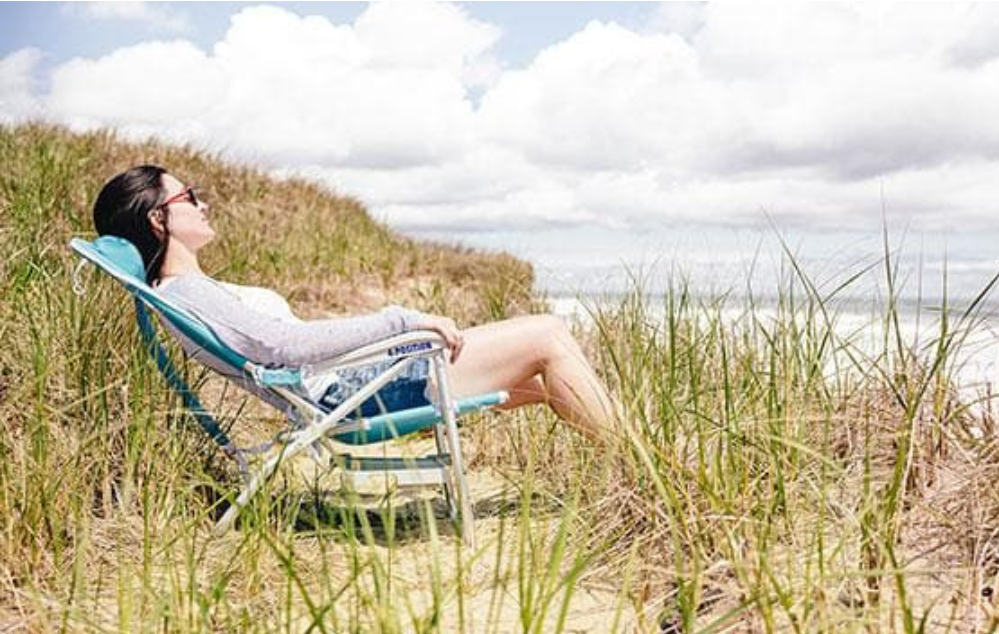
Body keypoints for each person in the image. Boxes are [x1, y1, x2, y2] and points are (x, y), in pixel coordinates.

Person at [92, 165, 618, 439]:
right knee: (548, 334)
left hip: (357, 383)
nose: (203, 203)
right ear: (158, 218)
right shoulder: (188, 292)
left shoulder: (188, 290)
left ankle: (631, 470)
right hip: (356, 394)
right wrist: (402, 321)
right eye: (188, 197)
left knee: (547, 385)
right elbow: (286, 345)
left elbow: (285, 346)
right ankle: (641, 473)